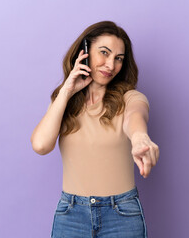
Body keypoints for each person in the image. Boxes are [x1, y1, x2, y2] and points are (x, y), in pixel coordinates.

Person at [31, 20, 159, 238]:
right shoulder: (64, 103)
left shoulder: (130, 98)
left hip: (121, 214)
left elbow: (135, 117)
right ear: (85, 52)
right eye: (104, 53)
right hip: (71, 215)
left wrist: (139, 137)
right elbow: (41, 145)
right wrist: (66, 91)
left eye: (118, 58)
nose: (111, 65)